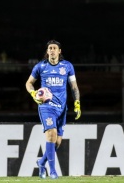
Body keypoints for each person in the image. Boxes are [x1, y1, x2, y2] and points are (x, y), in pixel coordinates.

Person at [25, 40, 81, 179]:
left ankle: (41, 162)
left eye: (55, 48)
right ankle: (53, 171)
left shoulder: (67, 66)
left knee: (57, 141)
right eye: (50, 48)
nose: (52, 50)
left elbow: (74, 87)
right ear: (47, 51)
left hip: (61, 108)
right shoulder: (41, 66)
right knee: (51, 134)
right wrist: (33, 94)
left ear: (59, 51)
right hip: (46, 106)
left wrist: (77, 103)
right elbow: (29, 83)